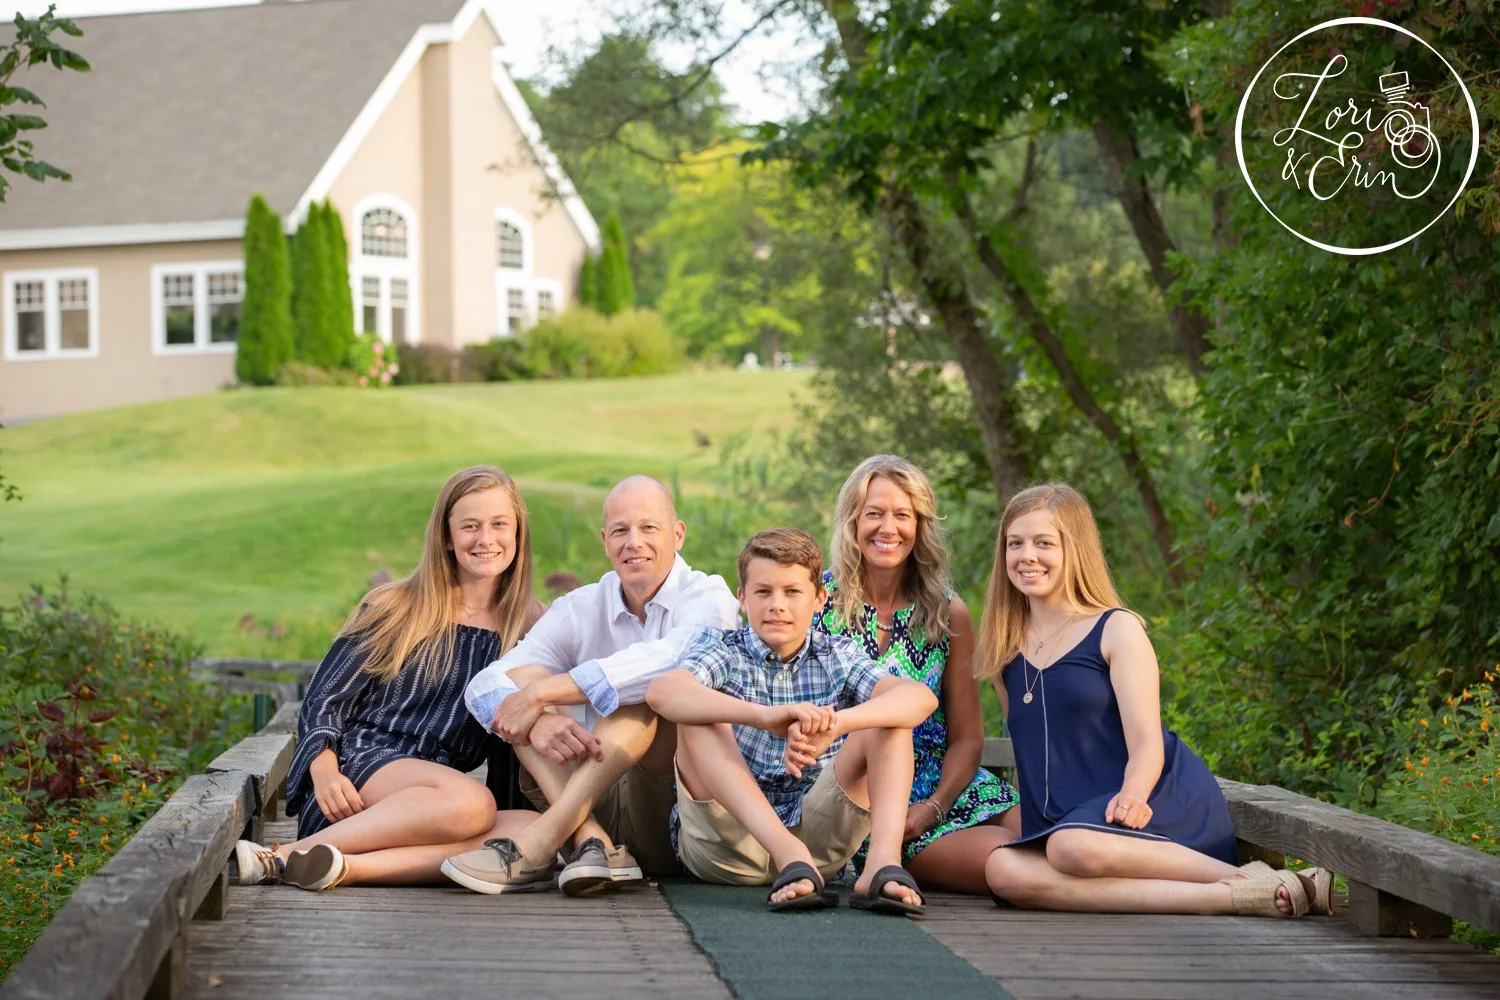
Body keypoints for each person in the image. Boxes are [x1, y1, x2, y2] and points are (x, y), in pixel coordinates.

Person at [977, 483, 1331, 918]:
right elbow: (1035, 755)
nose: (1027, 555)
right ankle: (1236, 894)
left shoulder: (1116, 629)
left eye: (1043, 543)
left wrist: (1133, 796)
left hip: (1149, 804)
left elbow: (1147, 742)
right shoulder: (1003, 651)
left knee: (1072, 846)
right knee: (1002, 869)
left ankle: (1239, 876)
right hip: (1067, 828)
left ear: (1076, 550)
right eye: (1016, 543)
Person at [233, 466, 544, 889]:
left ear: (518, 533)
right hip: (355, 781)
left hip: (434, 805)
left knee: (531, 831)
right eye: (470, 526)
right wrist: (323, 772)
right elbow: (324, 699)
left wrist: (517, 820)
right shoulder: (395, 604)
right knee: (472, 803)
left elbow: (513, 732)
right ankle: (286, 852)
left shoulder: (529, 621)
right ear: (447, 538)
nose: (485, 539)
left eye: (498, 524)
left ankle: (338, 867)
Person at [442, 475, 739, 895]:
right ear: (604, 540)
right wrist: (538, 715)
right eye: (620, 530)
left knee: (644, 695)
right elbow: (485, 685)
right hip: (588, 800)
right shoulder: (582, 607)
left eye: (648, 528)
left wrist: (546, 693)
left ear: (678, 534)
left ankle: (541, 843)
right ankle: (590, 840)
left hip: (667, 815)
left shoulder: (710, 597)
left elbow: (673, 662)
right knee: (521, 694)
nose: (633, 542)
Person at [647, 527, 938, 915]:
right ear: (742, 599)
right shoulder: (723, 649)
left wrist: (837, 724)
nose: (777, 605)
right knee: (697, 714)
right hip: (725, 844)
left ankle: (882, 866)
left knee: (888, 719)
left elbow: (920, 697)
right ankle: (787, 854)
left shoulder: (837, 654)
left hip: (816, 843)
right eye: (763, 592)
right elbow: (663, 693)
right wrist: (764, 717)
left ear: (819, 599)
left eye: (792, 592)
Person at [815, 455, 1020, 894]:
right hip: (865, 801)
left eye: (902, 515)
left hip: (942, 793)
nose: (888, 528)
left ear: (920, 526)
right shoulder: (816, 602)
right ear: (852, 521)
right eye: (874, 513)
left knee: (1049, 836)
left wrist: (935, 805)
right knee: (1011, 858)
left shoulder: (946, 613)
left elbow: (966, 738)